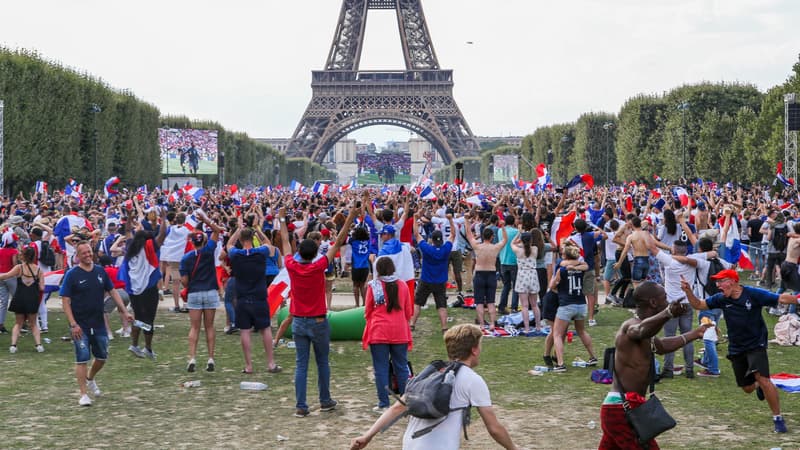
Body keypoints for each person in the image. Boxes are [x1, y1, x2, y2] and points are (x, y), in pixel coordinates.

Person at [349, 324, 518, 450]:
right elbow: (494, 428)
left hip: (411, 445)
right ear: (474, 350)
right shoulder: (473, 380)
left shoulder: (432, 373)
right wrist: (514, 448)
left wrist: (367, 436)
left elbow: (396, 408)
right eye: (480, 347)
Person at [680, 269, 798, 433]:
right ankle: (758, 385)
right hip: (736, 347)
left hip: (756, 344)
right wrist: (688, 291)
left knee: (764, 379)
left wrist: (797, 300)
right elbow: (698, 304)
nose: (718, 285)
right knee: (747, 388)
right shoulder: (721, 299)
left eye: (721, 281)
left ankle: (778, 418)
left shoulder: (753, 294)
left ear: (733, 281)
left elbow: (780, 298)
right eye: (717, 282)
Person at [598, 282, 707, 450]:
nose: (667, 301)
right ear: (653, 303)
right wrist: (668, 313)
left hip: (622, 410)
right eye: (664, 298)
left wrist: (696, 333)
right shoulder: (631, 325)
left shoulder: (646, 331)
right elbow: (641, 330)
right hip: (621, 410)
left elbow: (662, 346)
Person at [277, 203, 356, 418]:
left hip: (299, 321)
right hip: (319, 320)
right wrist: (350, 217)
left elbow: (284, 241)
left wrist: (282, 218)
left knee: (301, 364)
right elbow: (339, 240)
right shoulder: (319, 265)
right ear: (314, 254)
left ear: (299, 251)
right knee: (322, 362)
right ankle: (325, 399)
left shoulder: (292, 265)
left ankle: (301, 405)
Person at [60, 241, 133, 406]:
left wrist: (124, 311)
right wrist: (73, 324)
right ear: (77, 256)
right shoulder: (72, 274)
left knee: (101, 358)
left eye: (89, 252)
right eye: (83, 253)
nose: (87, 255)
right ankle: (84, 394)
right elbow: (65, 301)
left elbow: (112, 291)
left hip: (98, 323)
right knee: (82, 359)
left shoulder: (100, 271)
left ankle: (90, 378)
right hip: (80, 325)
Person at [227, 216, 281, 375]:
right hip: (259, 295)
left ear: (241, 240)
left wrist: (237, 230)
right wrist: (258, 230)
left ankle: (249, 365)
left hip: (243, 297)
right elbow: (269, 245)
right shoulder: (260, 252)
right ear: (252, 238)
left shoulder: (236, 254)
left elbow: (229, 244)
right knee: (265, 329)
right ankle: (271, 363)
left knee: (244, 331)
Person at [362, 257, 413, 413]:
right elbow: (408, 311)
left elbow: (368, 310)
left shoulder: (373, 286)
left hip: (379, 332)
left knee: (381, 369)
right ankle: (405, 402)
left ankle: (383, 403)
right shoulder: (403, 285)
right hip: (400, 331)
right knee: (402, 368)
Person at [118, 207, 167, 360]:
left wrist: (129, 219)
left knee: (138, 316)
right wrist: (164, 219)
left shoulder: (131, 247)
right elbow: (162, 235)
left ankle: (134, 344)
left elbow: (127, 232)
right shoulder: (150, 248)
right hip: (149, 287)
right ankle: (148, 348)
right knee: (149, 318)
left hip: (134, 289)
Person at [180, 212, 223, 373]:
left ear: (192, 242)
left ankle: (192, 357)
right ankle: (210, 357)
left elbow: (184, 281)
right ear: (204, 241)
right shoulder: (209, 251)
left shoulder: (186, 258)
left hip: (195, 293)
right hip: (210, 291)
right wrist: (206, 220)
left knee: (194, 327)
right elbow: (217, 231)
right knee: (210, 326)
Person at [548, 241, 595, 372]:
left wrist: (557, 287)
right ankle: (593, 356)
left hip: (567, 305)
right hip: (581, 303)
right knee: (581, 331)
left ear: (565, 256)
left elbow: (552, 286)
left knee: (557, 334)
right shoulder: (580, 268)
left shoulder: (562, 270)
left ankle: (560, 363)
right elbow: (586, 266)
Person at [410, 213, 455, 333]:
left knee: (418, 303)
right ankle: (444, 327)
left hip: (426, 279)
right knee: (441, 305)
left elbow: (416, 234)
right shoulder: (446, 249)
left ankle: (412, 324)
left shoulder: (427, 248)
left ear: (432, 239)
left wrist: (415, 218)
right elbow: (453, 235)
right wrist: (450, 220)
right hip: (440, 281)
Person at [463, 217, 507, 331]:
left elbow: (469, 235)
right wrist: (502, 227)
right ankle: (492, 323)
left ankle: (482, 324)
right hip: (491, 274)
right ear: (492, 237)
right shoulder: (495, 247)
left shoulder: (478, 246)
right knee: (491, 302)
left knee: (479, 302)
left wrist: (467, 221)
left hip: (479, 274)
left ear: (483, 236)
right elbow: (505, 240)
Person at [1, 243, 45, 353]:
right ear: (34, 256)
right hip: (32, 299)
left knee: (18, 323)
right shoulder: (39, 270)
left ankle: (13, 345)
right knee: (33, 324)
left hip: (20, 298)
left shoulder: (19, 268)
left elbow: (5, 276)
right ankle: (38, 345)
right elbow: (41, 287)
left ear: (23, 256)